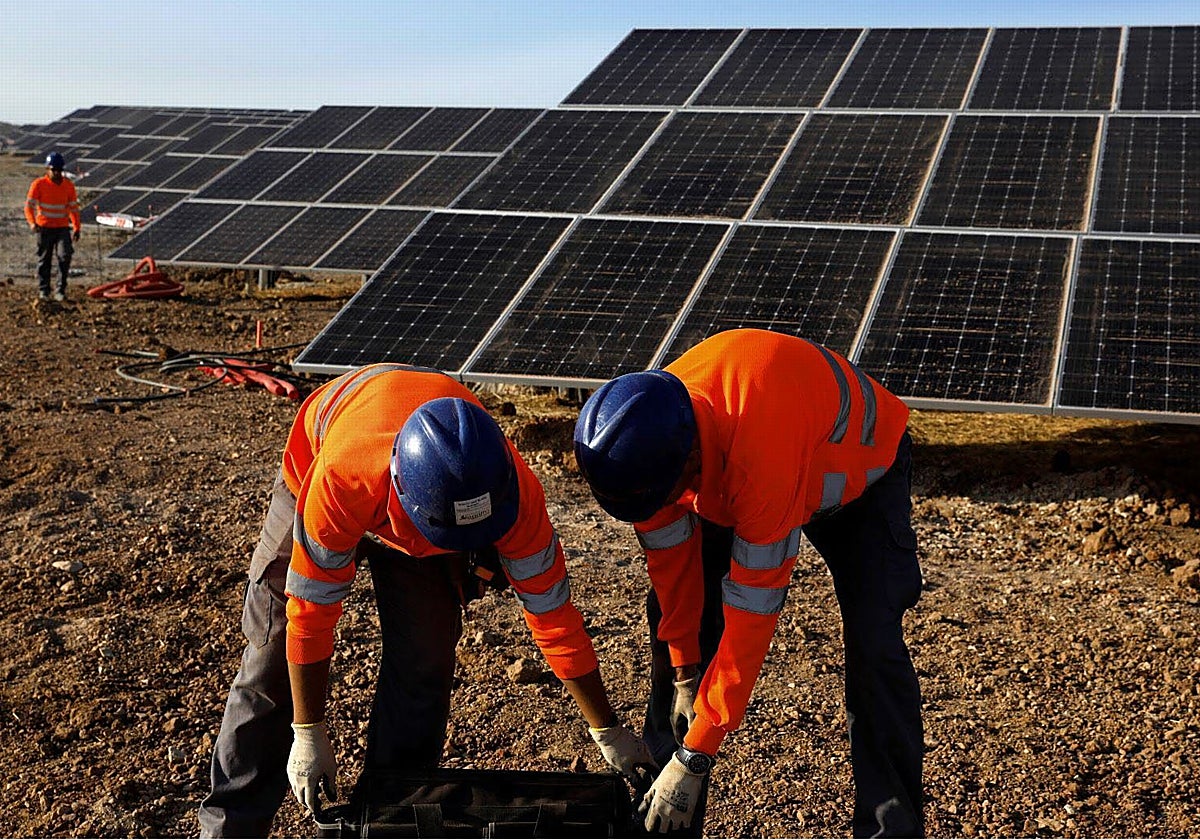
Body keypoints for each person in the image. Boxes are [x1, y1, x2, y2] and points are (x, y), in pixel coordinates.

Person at [199, 363, 655, 838]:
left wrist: (608, 730)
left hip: (432, 503)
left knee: (426, 655)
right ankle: (231, 827)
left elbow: (555, 619)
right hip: (322, 469)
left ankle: (392, 820)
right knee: (273, 655)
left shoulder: (514, 497)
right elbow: (309, 616)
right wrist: (309, 730)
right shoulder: (343, 476)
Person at [573, 328, 924, 838]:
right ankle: (663, 821)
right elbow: (675, 574)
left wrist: (698, 752)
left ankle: (889, 830)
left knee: (875, 646)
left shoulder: (758, 455)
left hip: (861, 472)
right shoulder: (641, 447)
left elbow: (753, 615)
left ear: (688, 461)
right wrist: (685, 669)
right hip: (742, 462)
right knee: (668, 625)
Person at [24, 151, 81, 302]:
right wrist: (32, 223)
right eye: (54, 169)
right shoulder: (39, 184)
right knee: (44, 260)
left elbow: (73, 209)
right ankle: (44, 290)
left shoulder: (68, 186)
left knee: (65, 256)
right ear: (47, 170)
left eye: (59, 170)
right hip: (44, 228)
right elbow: (28, 207)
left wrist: (77, 227)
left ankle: (60, 290)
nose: (57, 173)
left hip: (62, 228)